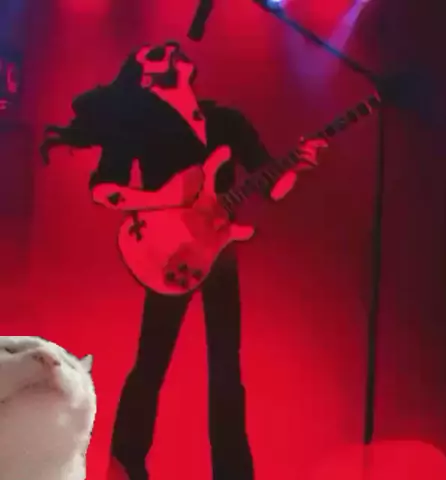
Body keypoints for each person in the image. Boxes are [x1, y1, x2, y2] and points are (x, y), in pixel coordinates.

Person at [40, 41, 326, 480]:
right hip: (167, 251)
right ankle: (125, 464)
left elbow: (271, 184)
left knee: (226, 365)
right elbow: (105, 189)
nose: (169, 50)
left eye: (170, 49)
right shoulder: (139, 123)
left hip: (219, 251)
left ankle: (232, 471)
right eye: (155, 53)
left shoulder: (226, 120)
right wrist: (164, 198)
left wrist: (297, 168)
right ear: (145, 75)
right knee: (152, 360)